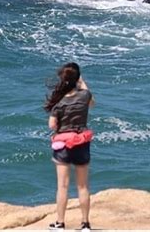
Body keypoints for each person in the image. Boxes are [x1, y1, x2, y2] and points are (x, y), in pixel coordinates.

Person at [44, 62, 95, 232]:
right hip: (81, 143)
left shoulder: (59, 104)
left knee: (63, 186)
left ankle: (60, 223)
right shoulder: (84, 96)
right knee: (83, 186)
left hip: (63, 145)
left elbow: (52, 125)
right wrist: (81, 81)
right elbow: (92, 102)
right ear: (77, 79)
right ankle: (85, 224)